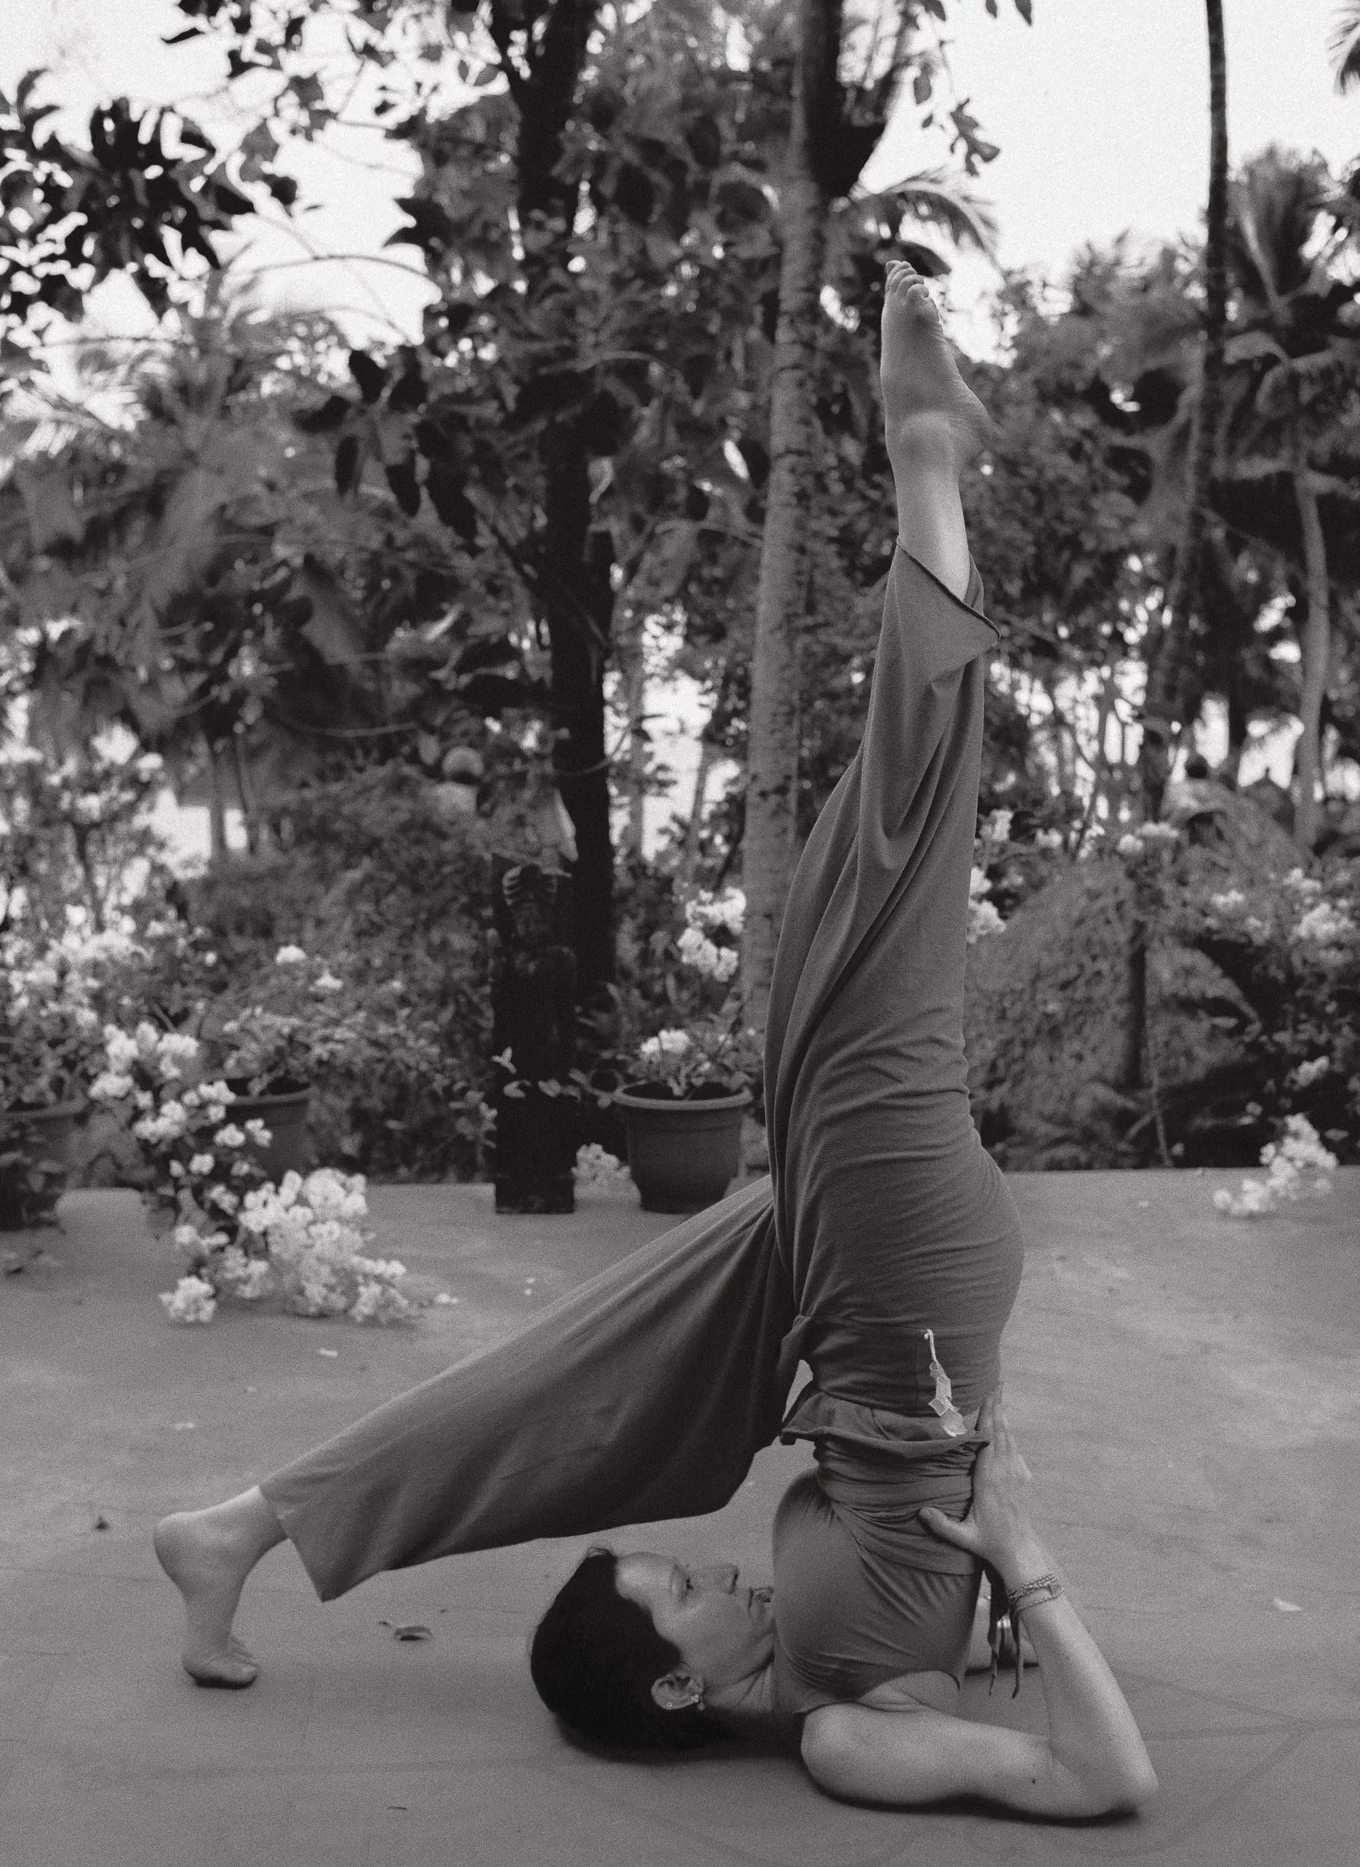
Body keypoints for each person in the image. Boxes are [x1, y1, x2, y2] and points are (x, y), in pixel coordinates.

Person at [154, 267, 1157, 1821]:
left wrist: (982, 1522)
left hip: (859, 1307)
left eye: (684, 1576)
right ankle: (923, 461)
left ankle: (252, 1524)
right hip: (898, 1300)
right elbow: (1107, 1781)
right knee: (884, 890)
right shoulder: (846, 1734)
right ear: (687, 1689)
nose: (719, 1579)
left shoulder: (802, 1664)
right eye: (687, 1593)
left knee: (583, 1373)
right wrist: (1025, 1564)